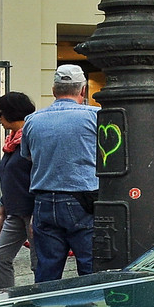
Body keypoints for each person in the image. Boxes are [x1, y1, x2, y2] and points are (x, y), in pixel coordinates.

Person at [22, 63, 100, 283]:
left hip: (44, 200)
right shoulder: (95, 116)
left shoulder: (33, 120)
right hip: (82, 200)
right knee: (90, 266)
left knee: (47, 269)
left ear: (54, 90)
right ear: (83, 90)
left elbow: (28, 156)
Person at [0, 91, 36, 289]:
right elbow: (9, 177)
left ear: (11, 113)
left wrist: (37, 212)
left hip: (32, 211)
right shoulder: (11, 143)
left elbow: (39, 175)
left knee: (38, 264)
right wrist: (2, 210)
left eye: (0, 113)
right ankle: (6, 298)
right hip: (14, 211)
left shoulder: (31, 138)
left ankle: (43, 306)